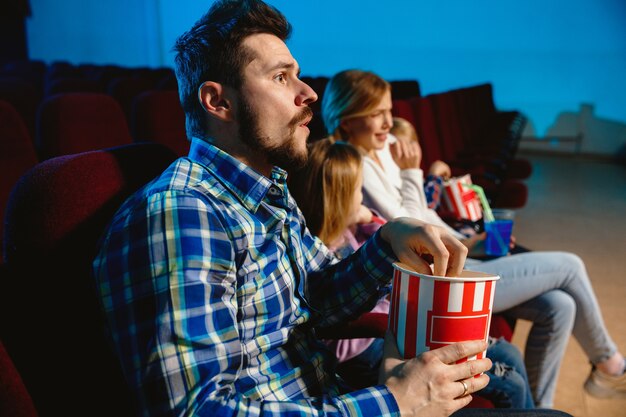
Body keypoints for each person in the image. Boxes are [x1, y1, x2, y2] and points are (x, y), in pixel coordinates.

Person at [92, 2, 497, 417]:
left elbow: (318, 299)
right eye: (281, 77)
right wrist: (394, 404)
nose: (309, 93)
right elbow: (195, 409)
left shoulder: (269, 189)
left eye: (297, 75)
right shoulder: (182, 214)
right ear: (218, 102)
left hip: (328, 398)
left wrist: (388, 242)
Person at [320, 68, 626, 408]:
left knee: (560, 305)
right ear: (345, 119)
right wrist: (411, 172)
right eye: (376, 114)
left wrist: (465, 238)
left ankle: (540, 408)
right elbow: (410, 228)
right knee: (570, 265)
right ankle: (610, 364)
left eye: (390, 111)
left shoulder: (386, 148)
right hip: (438, 276)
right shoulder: (349, 166)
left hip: (456, 251)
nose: (389, 123)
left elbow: (424, 213)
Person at [290, 138, 534, 408]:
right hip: (372, 349)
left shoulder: (351, 233)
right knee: (511, 383)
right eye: (358, 190)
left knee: (509, 353)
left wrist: (370, 219)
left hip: (410, 324)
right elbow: (331, 338)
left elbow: (386, 243)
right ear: (340, 199)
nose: (363, 198)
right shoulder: (324, 252)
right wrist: (391, 322)